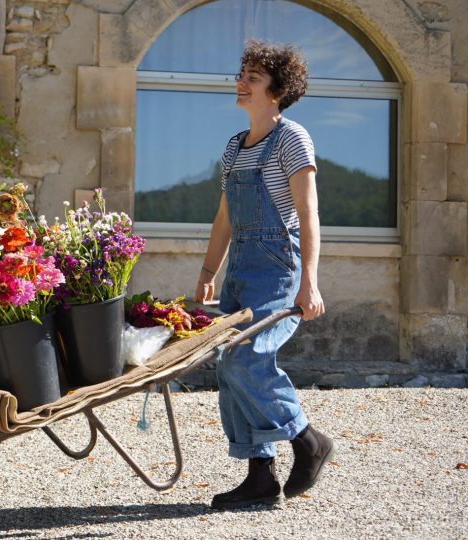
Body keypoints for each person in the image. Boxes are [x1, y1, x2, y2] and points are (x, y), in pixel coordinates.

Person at [193, 40, 334, 510]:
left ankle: (307, 439)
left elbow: (308, 212)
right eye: (243, 74)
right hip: (240, 269)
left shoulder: (292, 138)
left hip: (279, 267)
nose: (242, 82)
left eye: (252, 77)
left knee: (244, 359)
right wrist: (209, 271)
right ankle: (260, 475)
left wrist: (310, 281)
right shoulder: (235, 146)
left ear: (276, 91)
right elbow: (224, 219)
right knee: (228, 366)